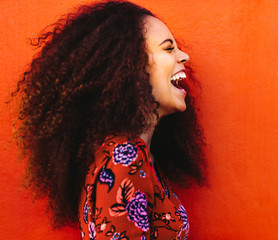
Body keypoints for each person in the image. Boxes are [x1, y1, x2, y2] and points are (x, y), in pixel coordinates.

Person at [13, 1, 206, 239]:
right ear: (130, 65)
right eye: (168, 49)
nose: (184, 56)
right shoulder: (124, 157)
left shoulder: (134, 155)